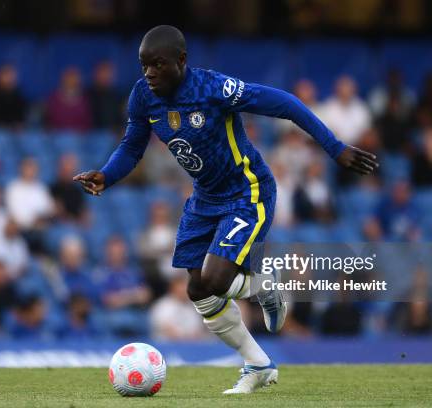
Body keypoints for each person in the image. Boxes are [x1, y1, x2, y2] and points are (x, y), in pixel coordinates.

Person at [73, 25, 377, 393]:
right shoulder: (143, 96)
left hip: (247, 192)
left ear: (181, 61)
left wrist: (334, 147)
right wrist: (107, 175)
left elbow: (285, 103)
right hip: (204, 198)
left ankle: (266, 284)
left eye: (158, 64)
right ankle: (258, 364)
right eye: (143, 66)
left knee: (217, 279)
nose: (149, 73)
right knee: (198, 289)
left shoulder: (213, 89)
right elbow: (132, 146)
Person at [150, 275, 209, 340]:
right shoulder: (163, 305)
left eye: (186, 287)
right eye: (181, 287)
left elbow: (198, 330)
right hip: (167, 345)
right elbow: (166, 329)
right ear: (173, 289)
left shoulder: (193, 306)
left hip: (191, 344)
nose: (184, 290)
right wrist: (185, 337)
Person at [319, 75, 372, 145]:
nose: (345, 90)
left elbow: (366, 130)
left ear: (354, 89)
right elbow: (326, 131)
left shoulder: (361, 107)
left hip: (359, 147)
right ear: (337, 89)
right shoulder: (328, 106)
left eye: (348, 87)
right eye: (343, 87)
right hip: (335, 147)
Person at [46, 67, 91, 132]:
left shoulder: (84, 99)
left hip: (79, 136)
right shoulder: (54, 98)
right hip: (57, 135)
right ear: (63, 79)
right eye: (69, 77)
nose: (71, 80)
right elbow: (49, 118)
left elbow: (87, 120)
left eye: (74, 78)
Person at [87, 61, 124, 130]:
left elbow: (120, 119)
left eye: (107, 73)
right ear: (95, 74)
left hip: (113, 132)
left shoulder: (116, 95)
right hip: (91, 133)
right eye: (102, 72)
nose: (105, 76)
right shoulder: (87, 94)